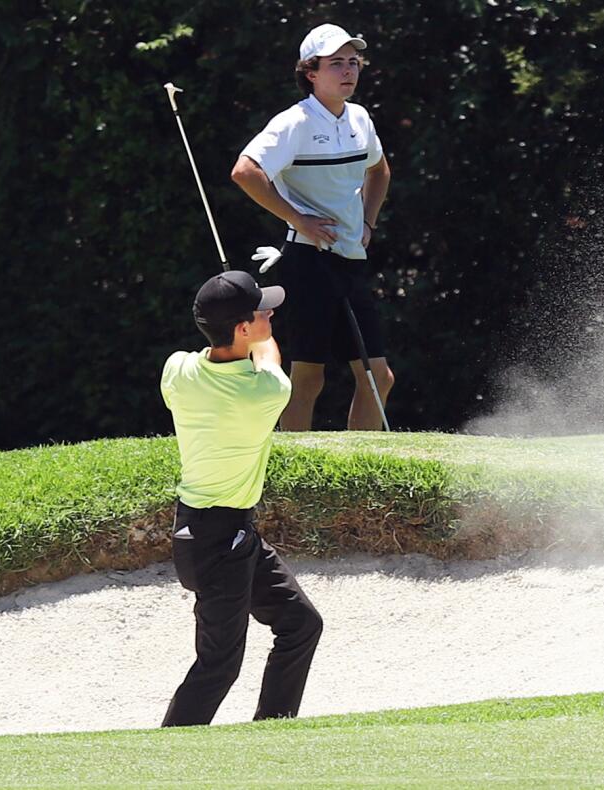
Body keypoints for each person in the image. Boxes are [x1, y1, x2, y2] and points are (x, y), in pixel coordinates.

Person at [159, 270, 323, 727]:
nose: (271, 312)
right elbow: (269, 355)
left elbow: (214, 354)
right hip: (219, 541)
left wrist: (232, 323)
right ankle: (165, 759)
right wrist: (254, 340)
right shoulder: (264, 391)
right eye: (262, 310)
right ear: (243, 328)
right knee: (219, 665)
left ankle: (271, 730)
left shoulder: (177, 370)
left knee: (301, 625)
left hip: (218, 533)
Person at [231, 22, 394, 431]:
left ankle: (362, 470)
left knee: (378, 377)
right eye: (336, 63)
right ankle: (295, 474)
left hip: (351, 260)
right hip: (308, 261)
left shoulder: (359, 118)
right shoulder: (295, 123)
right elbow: (246, 171)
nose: (348, 71)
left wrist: (368, 222)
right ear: (311, 72)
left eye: (353, 62)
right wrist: (297, 218)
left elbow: (380, 171)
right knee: (308, 377)